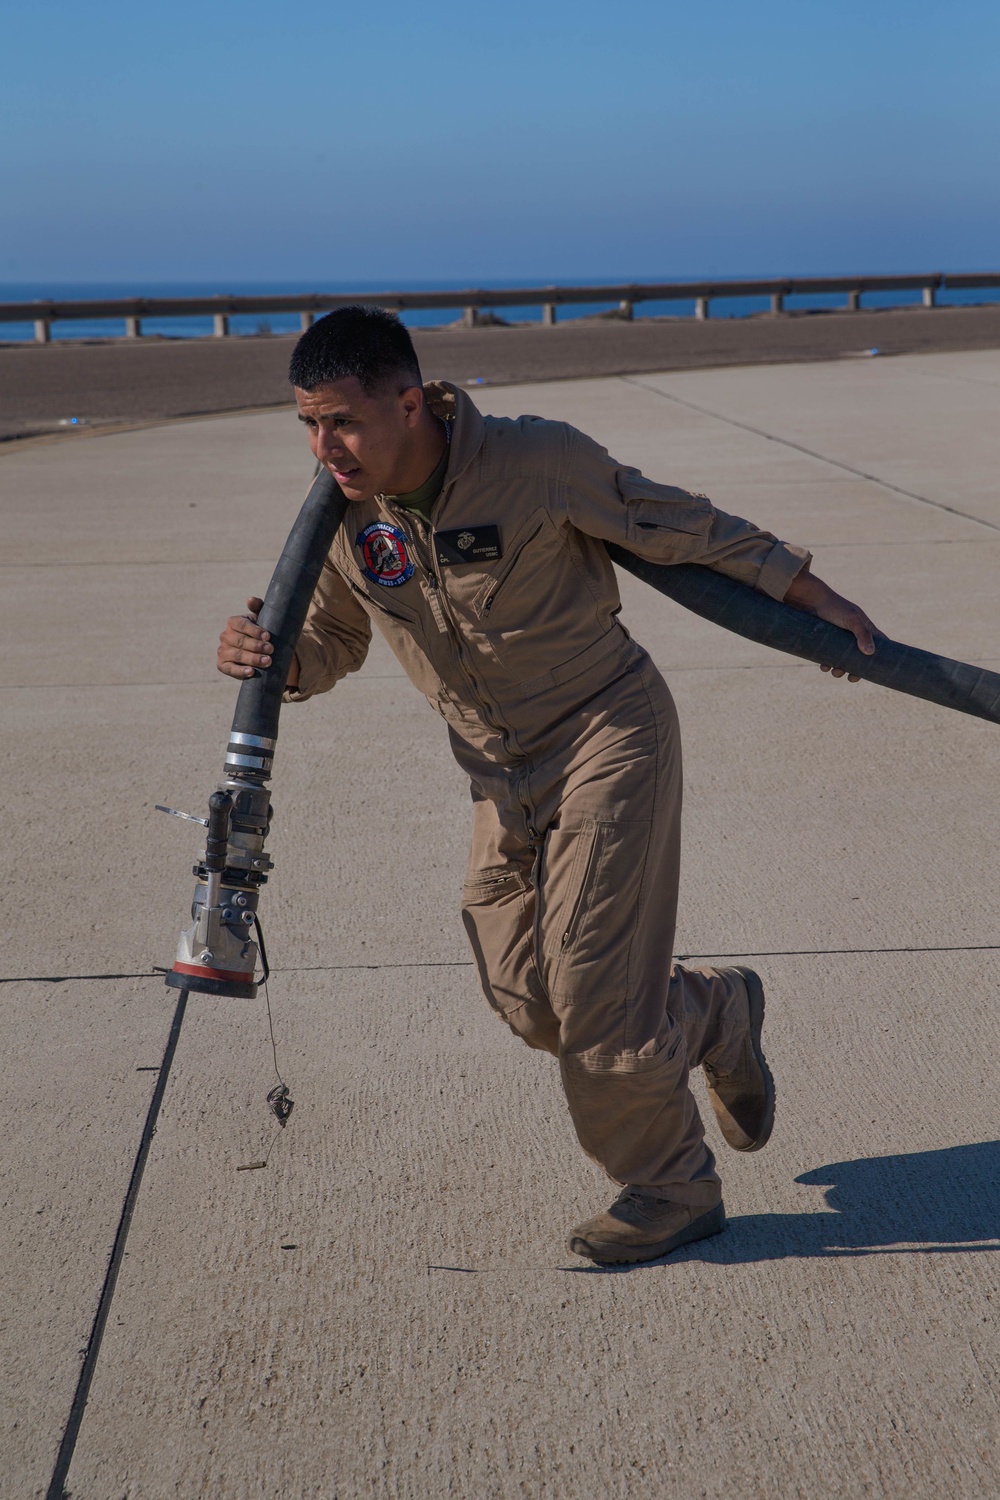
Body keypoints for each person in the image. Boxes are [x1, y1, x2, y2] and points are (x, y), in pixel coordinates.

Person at [217, 306, 877, 1265]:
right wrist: (273, 660)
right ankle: (715, 1012)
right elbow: (332, 638)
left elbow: (681, 526)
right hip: (496, 773)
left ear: (409, 403)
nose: (327, 448)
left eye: (344, 422)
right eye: (309, 427)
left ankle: (670, 1188)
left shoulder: (536, 462)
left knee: (596, 1000)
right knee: (532, 998)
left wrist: (813, 600)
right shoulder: (343, 516)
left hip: (609, 735)